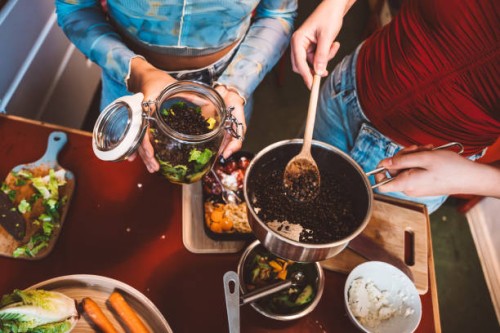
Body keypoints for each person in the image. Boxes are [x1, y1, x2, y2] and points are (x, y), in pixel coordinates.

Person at [291, 0, 499, 213]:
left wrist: (472, 178)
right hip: (346, 94)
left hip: (420, 172)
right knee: (292, 206)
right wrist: (336, 5)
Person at [55, 0, 297, 172]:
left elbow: (277, 14)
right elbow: (76, 7)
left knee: (206, 178)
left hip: (227, 86)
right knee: (126, 183)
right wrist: (138, 73)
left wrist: (235, 86)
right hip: (130, 83)